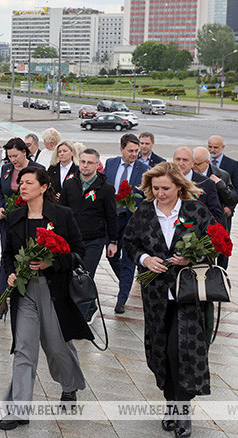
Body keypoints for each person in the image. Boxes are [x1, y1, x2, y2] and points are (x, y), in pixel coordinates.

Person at [123, 162, 216, 438]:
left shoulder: (195, 211)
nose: (160, 193)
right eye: (155, 188)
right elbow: (130, 242)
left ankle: (183, 413)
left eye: (165, 188)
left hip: (187, 295)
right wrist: (145, 259)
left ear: (179, 186)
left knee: (181, 352)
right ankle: (170, 403)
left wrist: (193, 257)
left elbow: (213, 243)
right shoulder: (143, 212)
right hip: (155, 297)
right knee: (161, 352)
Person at [0, 166, 91, 431]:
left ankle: (70, 385)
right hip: (24, 293)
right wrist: (12, 274)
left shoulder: (62, 215)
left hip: (54, 291)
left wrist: (51, 263)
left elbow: (78, 251)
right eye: (20, 182)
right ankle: (18, 409)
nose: (22, 187)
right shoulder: (15, 217)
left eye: (28, 182)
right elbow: (7, 255)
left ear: (44, 187)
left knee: (56, 346)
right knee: (24, 348)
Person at [59, 148, 118, 323]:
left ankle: (78, 320)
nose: (85, 166)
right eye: (83, 162)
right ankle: (90, 305)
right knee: (69, 275)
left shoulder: (106, 189)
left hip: (94, 240)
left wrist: (113, 241)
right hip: (71, 239)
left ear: (97, 165)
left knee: (84, 276)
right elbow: (62, 210)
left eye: (90, 162)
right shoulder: (70, 184)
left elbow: (111, 216)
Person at [0, 138, 43, 319]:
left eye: (15, 155)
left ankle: (24, 299)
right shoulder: (6, 169)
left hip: (28, 221)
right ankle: (1, 302)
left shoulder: (37, 169)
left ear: (25, 152)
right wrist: (0, 206)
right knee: (6, 257)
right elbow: (1, 193)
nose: (13, 160)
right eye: (9, 156)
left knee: (25, 259)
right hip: (8, 222)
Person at [104, 133, 149, 314]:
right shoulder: (111, 163)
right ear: (121, 149)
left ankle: (121, 299)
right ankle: (126, 281)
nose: (134, 154)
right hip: (112, 219)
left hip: (132, 220)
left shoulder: (144, 169)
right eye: (130, 150)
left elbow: (148, 195)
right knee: (111, 256)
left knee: (129, 260)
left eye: (137, 151)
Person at [171, 147, 225, 226]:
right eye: (178, 159)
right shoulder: (164, 180)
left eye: (185, 160)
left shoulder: (207, 183)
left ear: (193, 162)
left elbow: (216, 214)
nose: (181, 163)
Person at [193, 146, 238, 231]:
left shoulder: (222, 175)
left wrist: (220, 185)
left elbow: (232, 200)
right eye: (192, 163)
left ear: (207, 162)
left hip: (214, 224)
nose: (193, 166)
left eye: (197, 164)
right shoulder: (186, 174)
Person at [207, 135, 238, 229]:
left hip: (224, 212)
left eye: (215, 147)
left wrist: (230, 208)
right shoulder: (203, 162)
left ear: (222, 147)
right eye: (210, 147)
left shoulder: (232, 164)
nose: (212, 150)